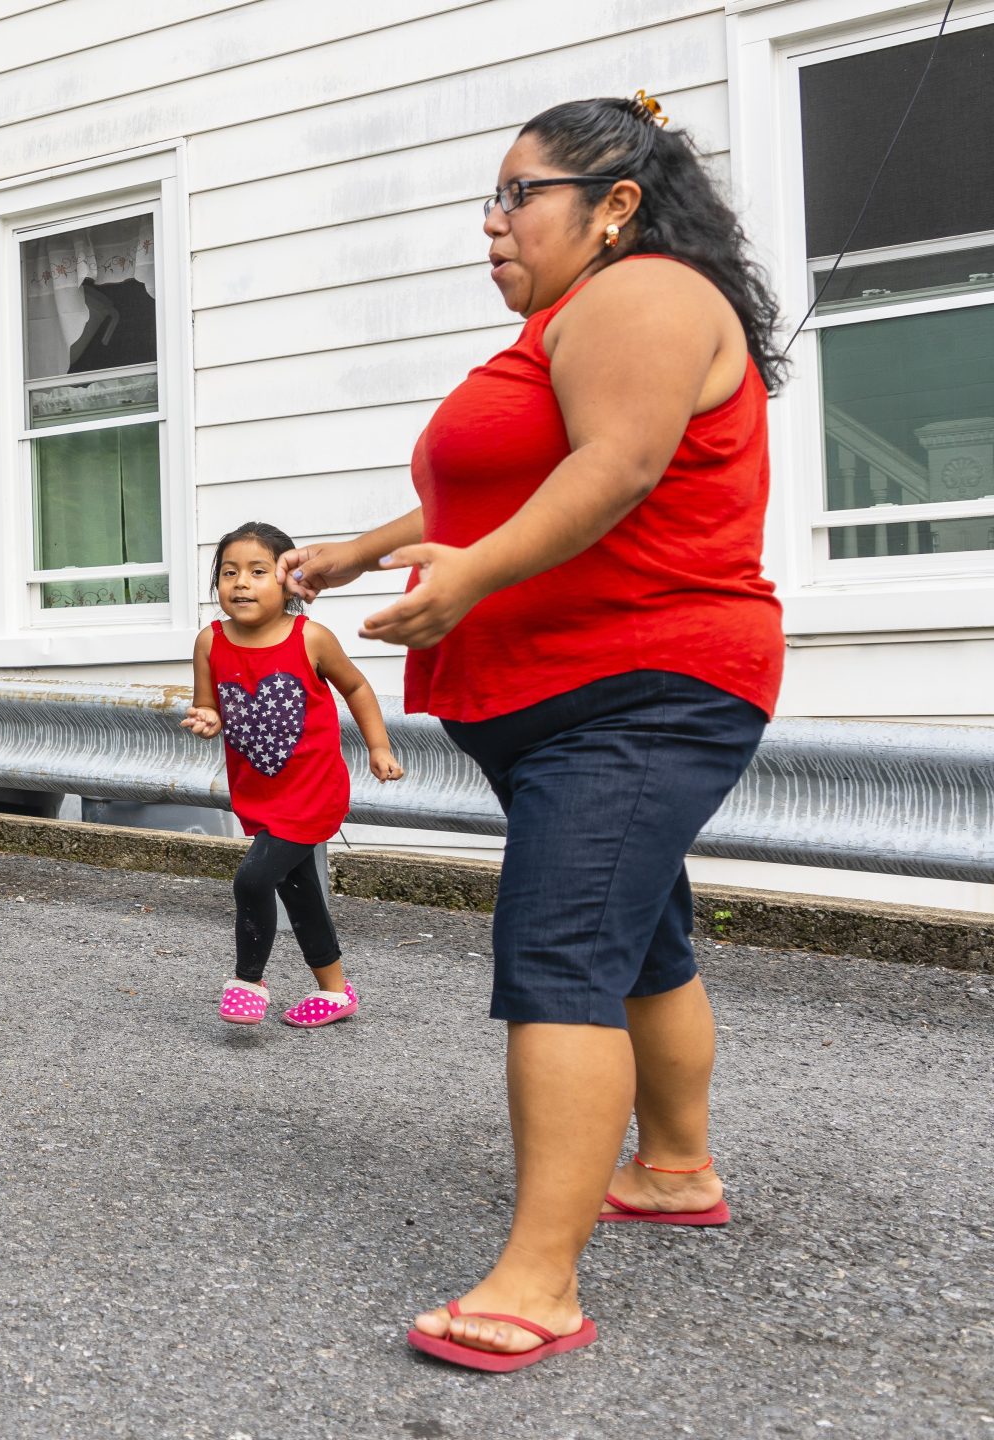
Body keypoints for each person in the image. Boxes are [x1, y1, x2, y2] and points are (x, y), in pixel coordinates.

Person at [281, 93, 786, 1370]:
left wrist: (466, 579)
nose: (492, 223)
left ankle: (538, 1282)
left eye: (520, 195)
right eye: (491, 198)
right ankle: (674, 1169)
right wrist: (368, 549)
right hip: (569, 689)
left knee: (561, 944)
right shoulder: (581, 317)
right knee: (638, 934)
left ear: (614, 204)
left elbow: (612, 467)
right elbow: (516, 477)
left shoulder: (647, 296)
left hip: (641, 680)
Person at [183, 522, 402, 1027]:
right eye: (229, 572)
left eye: (258, 572)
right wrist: (208, 718)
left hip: (312, 793)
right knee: (298, 889)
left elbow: (358, 688)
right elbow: (208, 705)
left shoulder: (311, 638)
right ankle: (334, 990)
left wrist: (379, 746)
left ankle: (248, 980)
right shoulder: (210, 642)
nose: (241, 583)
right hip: (260, 793)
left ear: (288, 581)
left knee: (253, 879)